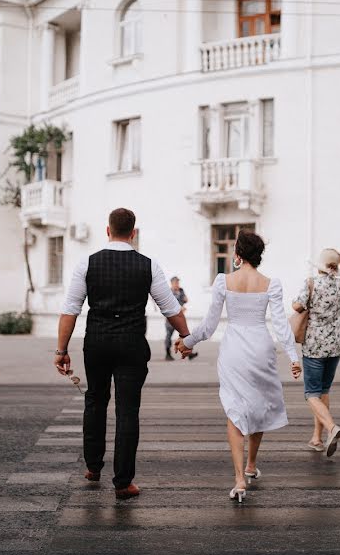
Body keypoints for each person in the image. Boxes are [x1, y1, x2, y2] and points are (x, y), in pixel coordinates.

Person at [54, 208, 191, 500]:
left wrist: (62, 350)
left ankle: (93, 467)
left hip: (98, 343)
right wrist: (186, 336)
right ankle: (123, 483)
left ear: (107, 230)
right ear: (133, 233)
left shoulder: (87, 264)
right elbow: (170, 308)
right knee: (127, 410)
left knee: (95, 401)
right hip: (131, 344)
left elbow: (70, 310)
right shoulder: (149, 265)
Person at [176, 231, 302, 503]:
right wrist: (293, 356)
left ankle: (239, 480)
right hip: (261, 347)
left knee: (235, 409)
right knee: (258, 405)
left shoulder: (224, 280)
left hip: (234, 350)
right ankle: (251, 464)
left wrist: (188, 341)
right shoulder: (271, 283)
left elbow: (209, 326)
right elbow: (280, 325)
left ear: (238, 253)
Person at [292, 249, 340, 457]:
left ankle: (331, 427)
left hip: (314, 346)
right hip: (335, 344)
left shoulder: (312, 283)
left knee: (311, 394)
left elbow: (298, 306)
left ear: (320, 266)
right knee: (323, 391)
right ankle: (317, 439)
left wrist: (301, 303)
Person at [164, 276, 197, 361]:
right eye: (175, 283)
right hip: (170, 319)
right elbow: (167, 305)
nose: (177, 284)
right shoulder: (168, 293)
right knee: (169, 336)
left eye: (178, 282)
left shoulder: (181, 291)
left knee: (186, 335)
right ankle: (167, 354)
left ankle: (189, 353)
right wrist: (179, 308)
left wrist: (185, 300)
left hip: (180, 318)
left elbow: (185, 300)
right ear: (172, 283)